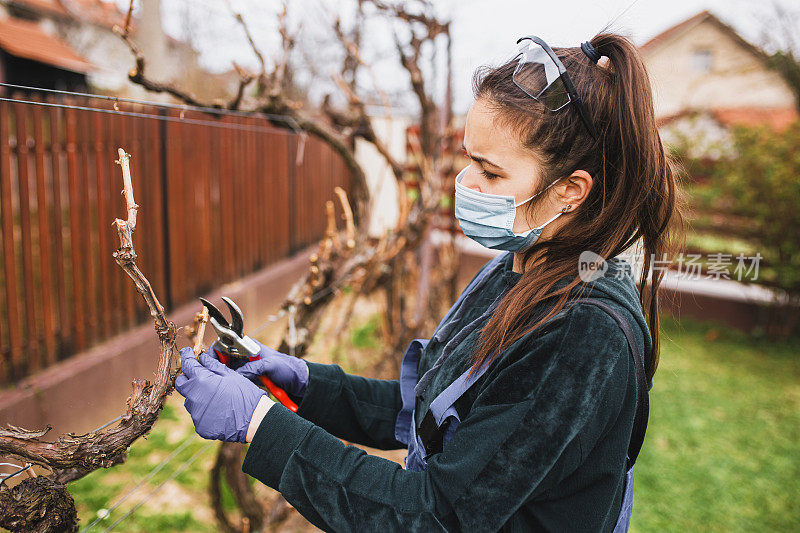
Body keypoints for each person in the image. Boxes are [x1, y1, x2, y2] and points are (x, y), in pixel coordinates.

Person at [175, 30, 681, 532]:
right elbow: (436, 416)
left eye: (490, 172)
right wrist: (305, 384)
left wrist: (262, 427)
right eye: (468, 160)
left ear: (570, 189)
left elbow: (436, 518)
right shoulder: (525, 265)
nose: (466, 183)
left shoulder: (582, 333)